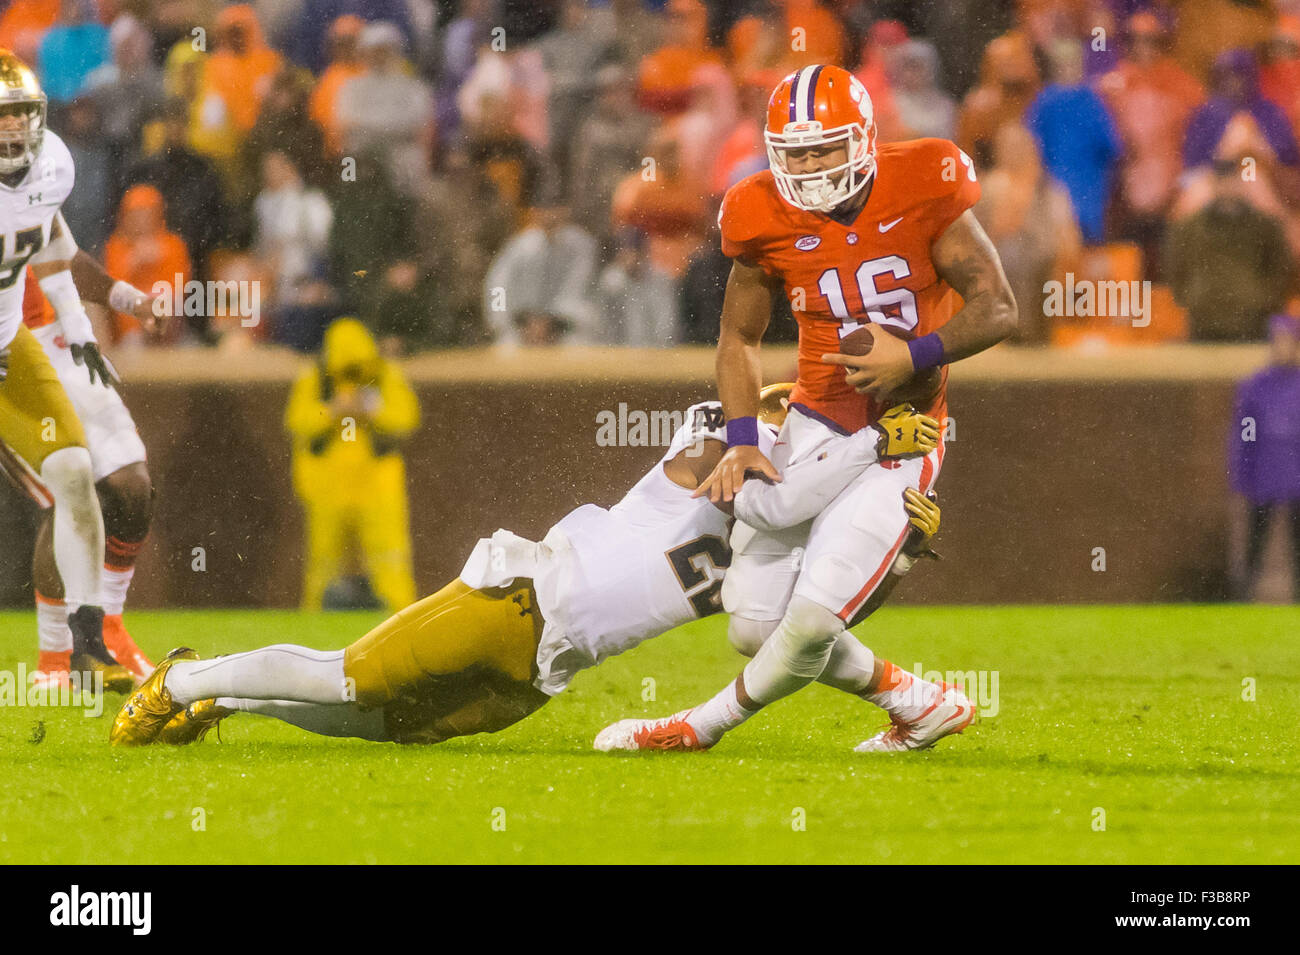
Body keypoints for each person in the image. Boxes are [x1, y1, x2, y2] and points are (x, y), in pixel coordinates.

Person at [107, 389, 948, 747]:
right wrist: (869, 451)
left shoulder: (787, 529)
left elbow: (805, 632)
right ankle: (181, 680)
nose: (789, 438)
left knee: (387, 726)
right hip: (518, 598)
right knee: (351, 676)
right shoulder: (717, 447)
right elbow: (766, 496)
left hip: (548, 669)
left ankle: (232, 699)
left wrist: (896, 555)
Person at [595, 64, 1017, 754]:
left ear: (864, 139)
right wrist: (740, 437)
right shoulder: (758, 209)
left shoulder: (926, 179)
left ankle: (698, 728)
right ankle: (919, 702)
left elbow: (999, 306)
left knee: (814, 618)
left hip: (901, 431)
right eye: (796, 153)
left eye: (825, 149)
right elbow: (739, 336)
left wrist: (912, 356)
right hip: (815, 418)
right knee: (756, 627)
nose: (812, 167)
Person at [0, 51, 130, 689]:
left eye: (22, 114)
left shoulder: (51, 166)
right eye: (1, 117)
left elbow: (50, 242)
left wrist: (80, 329)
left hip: (7, 347)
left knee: (76, 472)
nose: (14, 130)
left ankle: (88, 642)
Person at [16, 244, 160, 688]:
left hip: (61, 342)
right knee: (70, 492)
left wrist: (123, 297)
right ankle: (55, 658)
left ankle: (110, 628)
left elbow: (56, 249)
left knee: (132, 487)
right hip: (10, 356)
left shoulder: (37, 177)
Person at [284, 318, 419, 612]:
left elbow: (405, 418)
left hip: (377, 485)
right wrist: (333, 411)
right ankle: (314, 619)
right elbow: (299, 421)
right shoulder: (316, 378)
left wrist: (371, 411)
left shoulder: (385, 374)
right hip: (329, 486)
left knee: (390, 561)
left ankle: (402, 616)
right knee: (324, 562)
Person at [1228, 313, 1300, 600]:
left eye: (1288, 341)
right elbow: (1245, 434)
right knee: (1255, 543)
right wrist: (1242, 475)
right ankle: (1244, 597)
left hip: (1296, 478)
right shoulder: (1256, 387)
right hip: (1264, 479)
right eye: (1277, 341)